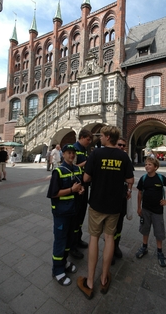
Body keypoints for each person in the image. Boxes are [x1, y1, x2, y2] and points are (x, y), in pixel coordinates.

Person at [77, 126, 134, 299]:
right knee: (109, 238)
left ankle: (89, 282)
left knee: (94, 238)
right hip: (114, 205)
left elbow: (86, 178)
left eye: (101, 135)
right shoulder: (123, 156)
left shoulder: (96, 154)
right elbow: (130, 179)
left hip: (97, 203)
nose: (99, 138)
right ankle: (103, 278)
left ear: (108, 137)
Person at [47, 144, 84, 286]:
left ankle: (63, 262)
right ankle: (57, 270)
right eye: (68, 153)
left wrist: (79, 190)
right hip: (61, 212)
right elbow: (53, 194)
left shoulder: (77, 169)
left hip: (73, 211)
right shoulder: (58, 171)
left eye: (73, 153)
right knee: (60, 241)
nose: (71, 155)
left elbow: (79, 186)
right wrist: (71, 189)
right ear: (63, 154)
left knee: (69, 240)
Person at [135, 157, 166, 267]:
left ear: (155, 167)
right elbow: (139, 193)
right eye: (146, 164)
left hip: (157, 211)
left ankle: (160, 251)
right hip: (145, 209)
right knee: (145, 229)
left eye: (150, 165)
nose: (147, 166)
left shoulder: (161, 178)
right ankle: (144, 247)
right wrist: (139, 207)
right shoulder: (143, 179)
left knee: (159, 231)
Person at [70, 129, 93, 259]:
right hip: (77, 186)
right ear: (82, 137)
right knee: (75, 215)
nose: (89, 142)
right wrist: (87, 162)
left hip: (84, 185)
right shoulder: (74, 148)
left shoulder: (83, 149)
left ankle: (78, 239)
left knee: (81, 214)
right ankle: (72, 246)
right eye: (88, 140)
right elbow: (72, 166)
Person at [112, 137, 134, 264]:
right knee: (110, 226)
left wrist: (129, 190)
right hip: (110, 197)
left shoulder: (126, 158)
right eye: (119, 144)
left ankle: (116, 246)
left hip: (121, 195)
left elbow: (130, 177)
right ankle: (110, 249)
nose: (121, 147)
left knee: (119, 224)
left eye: (123, 145)